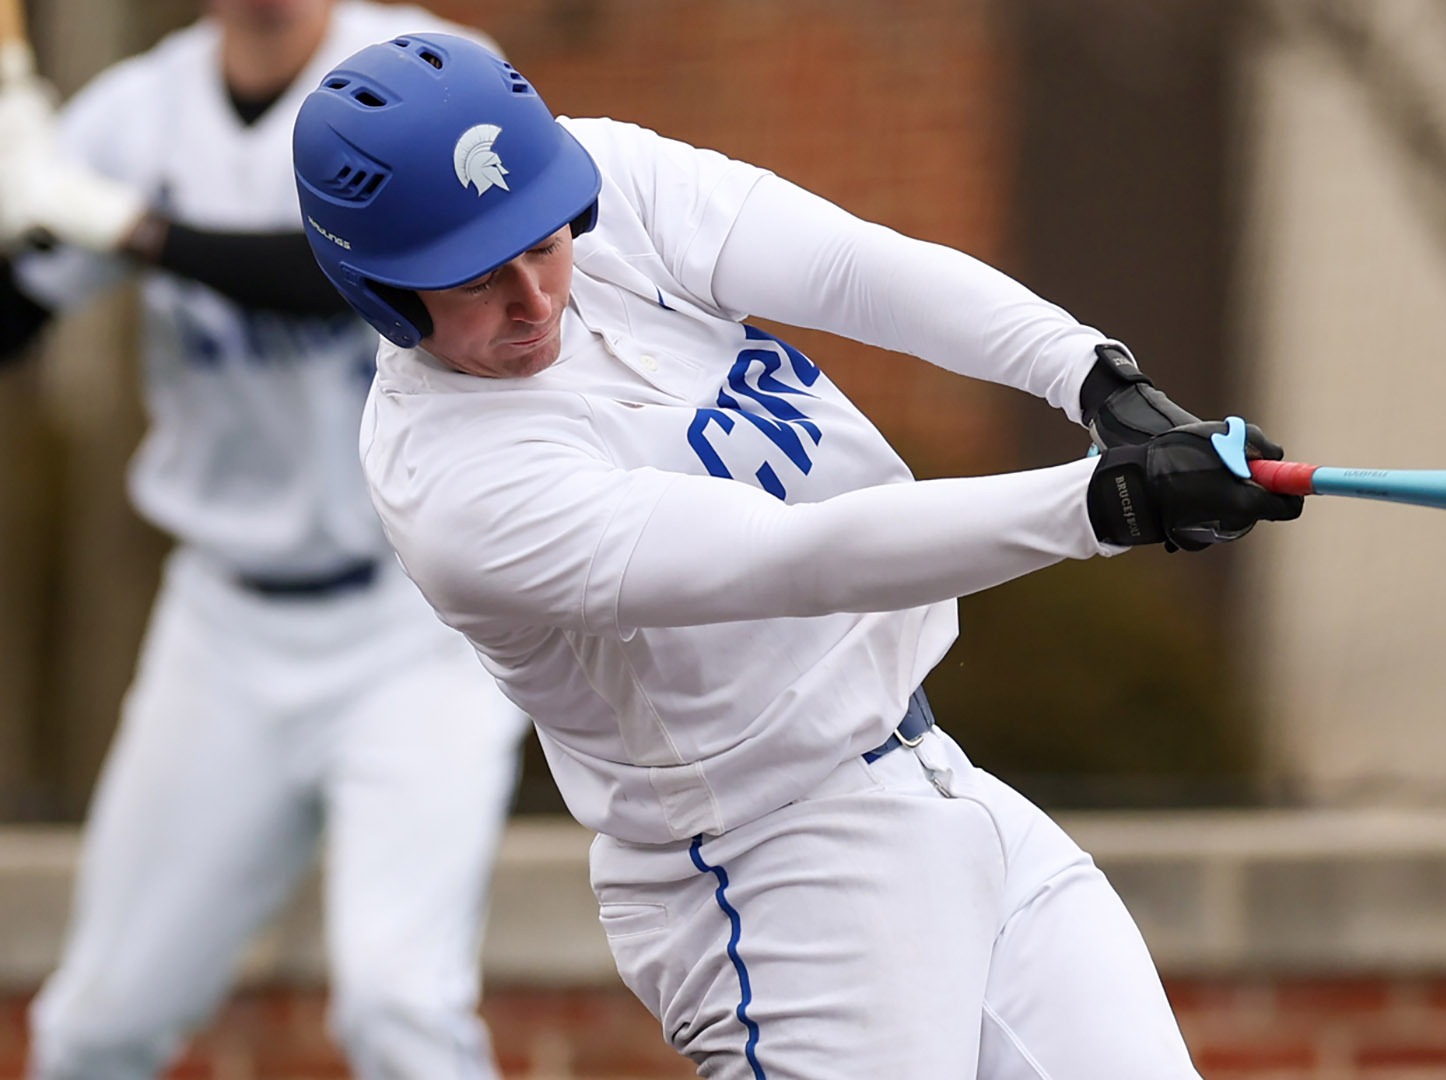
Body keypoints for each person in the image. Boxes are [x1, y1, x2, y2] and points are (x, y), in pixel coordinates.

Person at [293, 31, 1303, 1080]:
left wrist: (1095, 382)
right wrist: (1106, 504)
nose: (538, 298)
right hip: (773, 880)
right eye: (478, 279)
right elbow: (800, 557)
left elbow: (849, 267)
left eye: (545, 245)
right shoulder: (454, 484)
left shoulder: (592, 178)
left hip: (937, 779)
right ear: (380, 291)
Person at [0, 4, 527, 1077]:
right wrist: (16, 212)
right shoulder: (138, 116)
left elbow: (333, 279)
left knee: (398, 1010)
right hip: (225, 626)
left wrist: (127, 225)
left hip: (420, 617)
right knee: (93, 1029)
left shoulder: (431, 74)